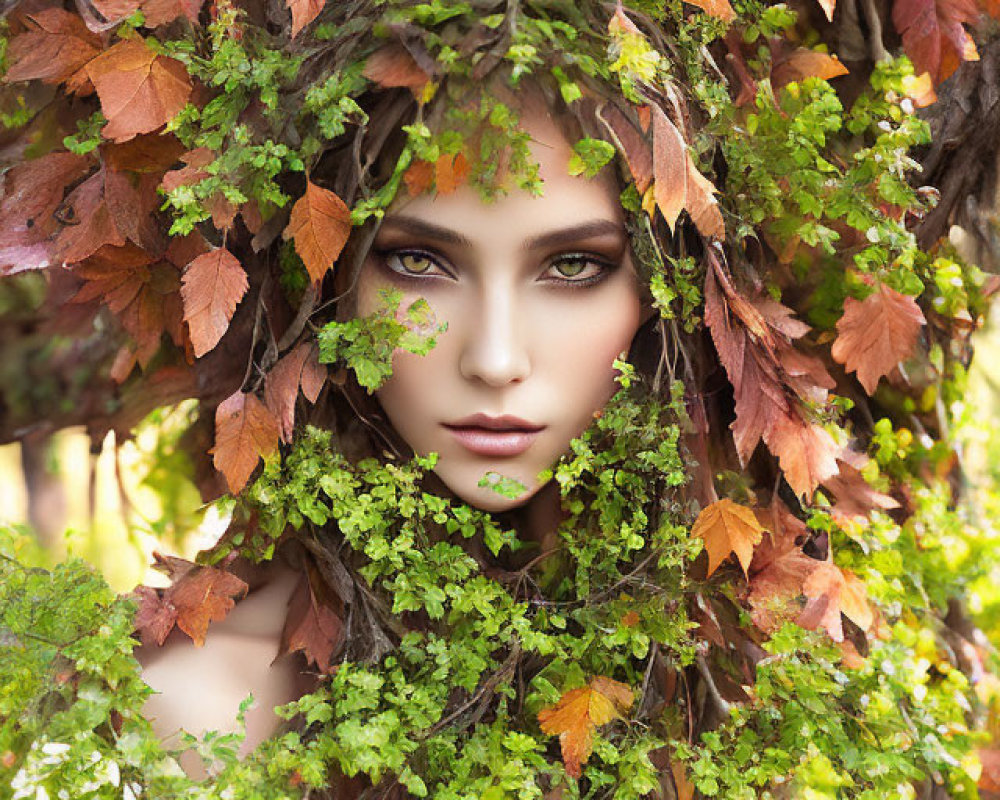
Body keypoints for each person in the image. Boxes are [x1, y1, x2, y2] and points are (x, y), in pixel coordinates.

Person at [137, 91, 656, 779]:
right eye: (417, 262)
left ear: (662, 299)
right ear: (327, 289)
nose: (496, 360)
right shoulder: (201, 707)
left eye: (571, 266)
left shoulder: (756, 670)